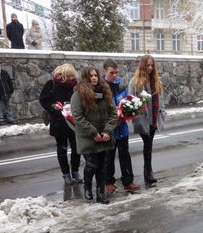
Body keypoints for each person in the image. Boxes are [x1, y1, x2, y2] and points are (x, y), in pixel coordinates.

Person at [71, 67, 117, 204]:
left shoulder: (105, 92)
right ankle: (87, 186)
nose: (94, 78)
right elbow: (78, 117)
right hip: (88, 136)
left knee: (102, 165)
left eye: (96, 75)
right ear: (86, 78)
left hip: (103, 135)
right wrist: (93, 133)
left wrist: (107, 131)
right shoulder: (78, 95)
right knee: (92, 164)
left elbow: (113, 113)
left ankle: (101, 193)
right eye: (91, 76)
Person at [39, 64, 81, 185]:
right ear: (63, 75)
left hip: (73, 121)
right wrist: (54, 108)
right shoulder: (51, 84)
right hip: (58, 121)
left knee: (76, 148)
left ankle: (75, 171)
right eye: (69, 76)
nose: (71, 78)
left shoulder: (75, 85)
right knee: (62, 149)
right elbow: (44, 100)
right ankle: (66, 174)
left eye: (73, 76)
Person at [102, 59, 140, 194]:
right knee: (109, 157)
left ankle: (128, 181)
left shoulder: (121, 86)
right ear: (104, 72)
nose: (115, 75)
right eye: (112, 73)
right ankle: (108, 182)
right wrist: (111, 121)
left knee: (125, 155)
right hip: (109, 130)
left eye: (116, 72)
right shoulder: (101, 88)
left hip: (122, 128)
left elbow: (126, 103)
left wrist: (130, 112)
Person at [129, 55, 165, 186]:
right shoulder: (136, 81)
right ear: (143, 65)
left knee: (149, 146)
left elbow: (161, 98)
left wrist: (162, 112)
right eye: (148, 65)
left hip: (155, 117)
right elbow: (131, 100)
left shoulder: (156, 80)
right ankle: (148, 172)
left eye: (152, 65)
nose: (150, 68)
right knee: (148, 144)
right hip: (143, 119)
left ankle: (148, 172)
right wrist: (137, 114)